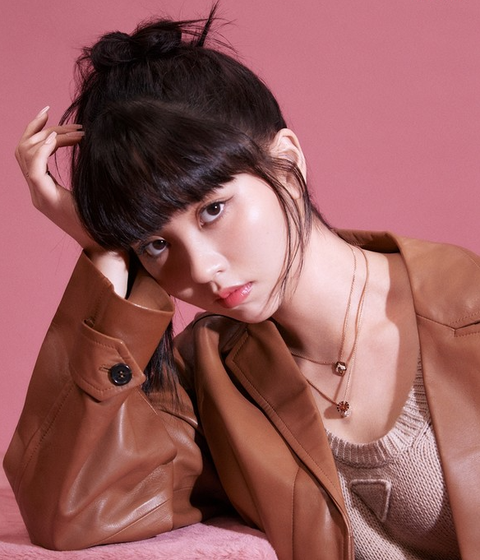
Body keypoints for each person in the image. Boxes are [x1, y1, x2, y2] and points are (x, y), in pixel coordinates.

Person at [5, 5, 479, 560]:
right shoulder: (212, 377)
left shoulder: (467, 312)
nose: (200, 269)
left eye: (213, 209)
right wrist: (107, 252)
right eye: (156, 244)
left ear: (287, 163)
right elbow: (70, 512)